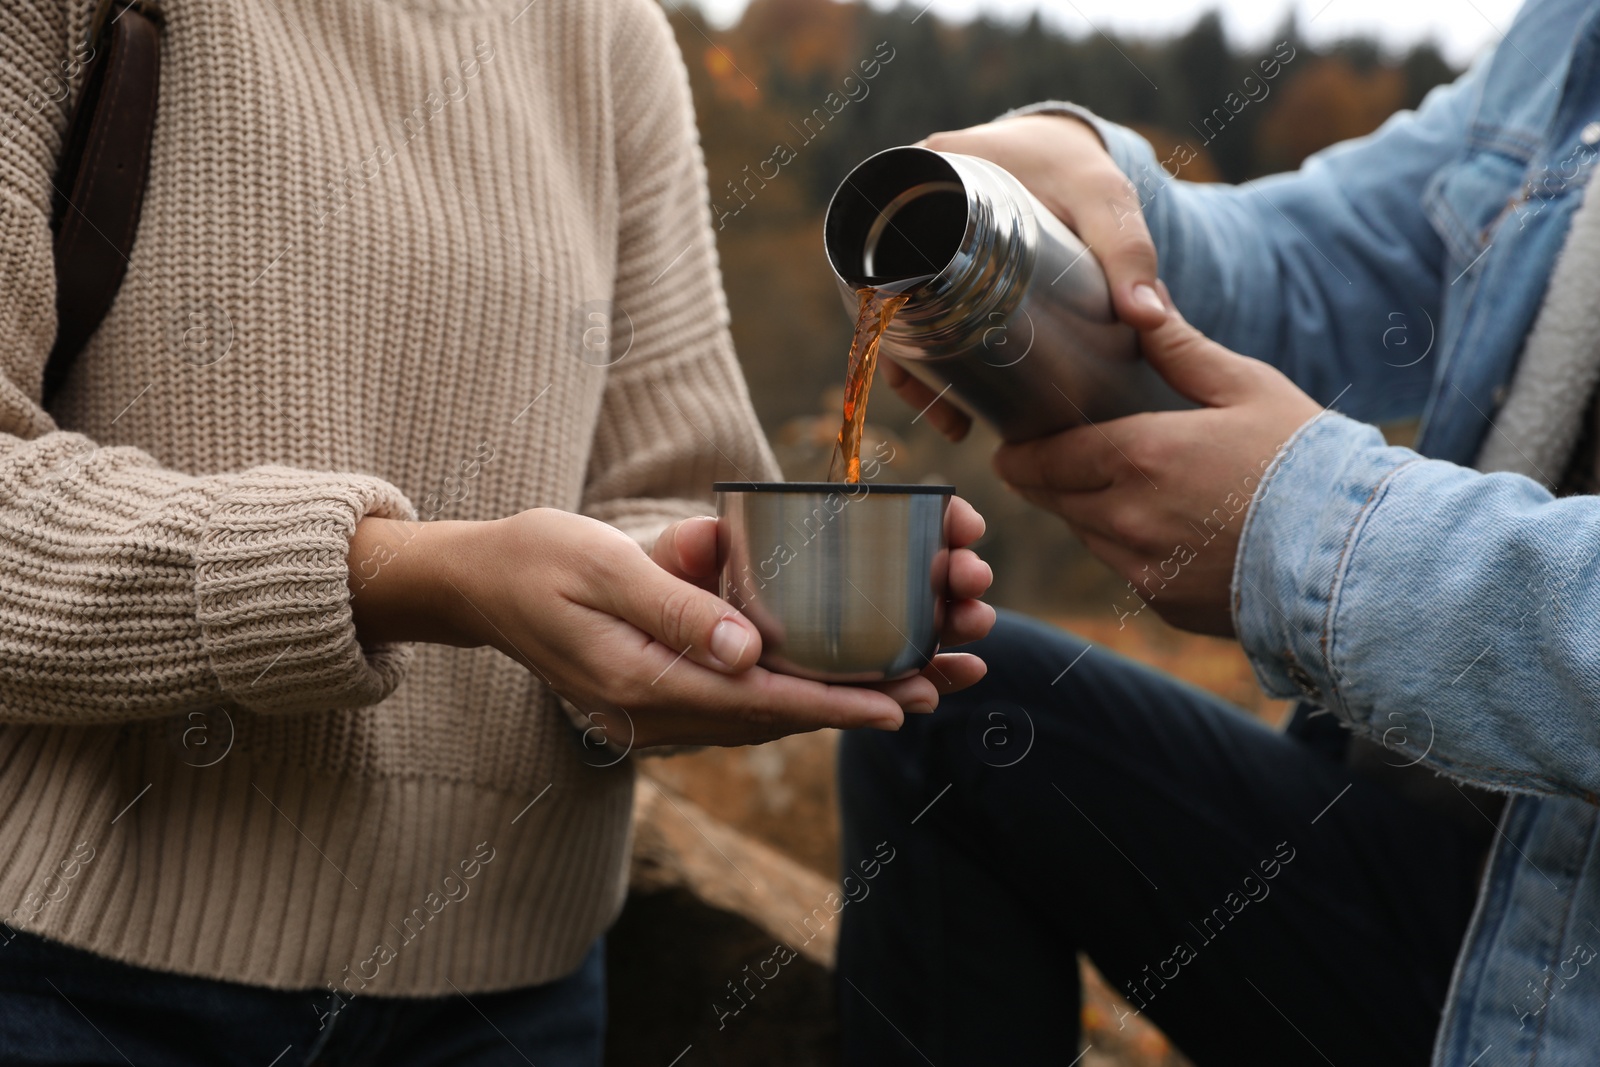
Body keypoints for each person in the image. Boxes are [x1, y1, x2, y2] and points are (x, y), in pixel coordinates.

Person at [0, 2, 994, 1065]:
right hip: (76, 979)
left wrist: (677, 614)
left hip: (516, 994)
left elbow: (663, 484)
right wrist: (403, 575)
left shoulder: (608, 36)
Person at [839, 0, 1600, 1063]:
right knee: (950, 712)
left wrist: (1318, 538)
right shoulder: (1572, 39)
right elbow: (1315, 262)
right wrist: (1081, 175)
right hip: (1440, 896)